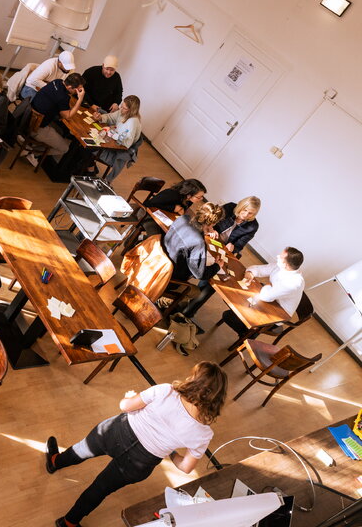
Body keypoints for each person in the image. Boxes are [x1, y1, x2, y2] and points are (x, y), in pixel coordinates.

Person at [45, 362, 227, 527]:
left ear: (194, 379)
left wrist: (129, 396)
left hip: (116, 432)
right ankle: (68, 523)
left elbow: (125, 406)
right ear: (217, 398)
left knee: (80, 450)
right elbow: (186, 467)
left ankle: (54, 462)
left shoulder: (166, 391)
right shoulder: (204, 433)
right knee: (100, 489)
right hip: (140, 462)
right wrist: (171, 451)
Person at [180, 196, 261, 321]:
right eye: (245, 210)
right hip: (209, 239)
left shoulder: (253, 226)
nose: (246, 215)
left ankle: (189, 311)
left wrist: (233, 247)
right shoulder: (229, 208)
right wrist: (211, 229)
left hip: (222, 250)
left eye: (251, 213)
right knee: (200, 266)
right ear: (240, 206)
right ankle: (182, 298)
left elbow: (240, 245)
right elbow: (211, 220)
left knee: (212, 281)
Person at [221, 247, 305, 337]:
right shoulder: (282, 267)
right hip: (271, 299)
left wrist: (268, 286)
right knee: (238, 299)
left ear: (286, 264)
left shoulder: (294, 283)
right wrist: (250, 273)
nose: (277, 256)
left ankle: (248, 334)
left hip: (277, 313)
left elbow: (265, 296)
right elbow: (261, 269)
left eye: (280, 256)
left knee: (228, 316)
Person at [28, 72, 86, 162]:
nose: (78, 92)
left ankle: (33, 146)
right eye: (77, 90)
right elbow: (68, 116)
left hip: (27, 117)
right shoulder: (63, 97)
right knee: (64, 148)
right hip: (36, 127)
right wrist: (80, 99)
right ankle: (32, 153)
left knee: (60, 131)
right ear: (70, 87)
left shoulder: (57, 82)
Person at [163, 202, 225, 283]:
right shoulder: (198, 242)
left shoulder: (183, 218)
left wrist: (205, 231)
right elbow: (200, 274)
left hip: (160, 260)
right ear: (213, 223)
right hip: (170, 277)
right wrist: (217, 266)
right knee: (196, 292)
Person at [89, 95, 142, 182]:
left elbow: (127, 143)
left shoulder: (133, 121)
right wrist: (100, 117)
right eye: (121, 105)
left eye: (124, 108)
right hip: (113, 143)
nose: (121, 108)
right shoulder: (122, 112)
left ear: (131, 110)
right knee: (88, 145)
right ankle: (89, 168)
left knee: (89, 148)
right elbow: (110, 117)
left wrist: (112, 133)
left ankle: (89, 170)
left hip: (117, 151)